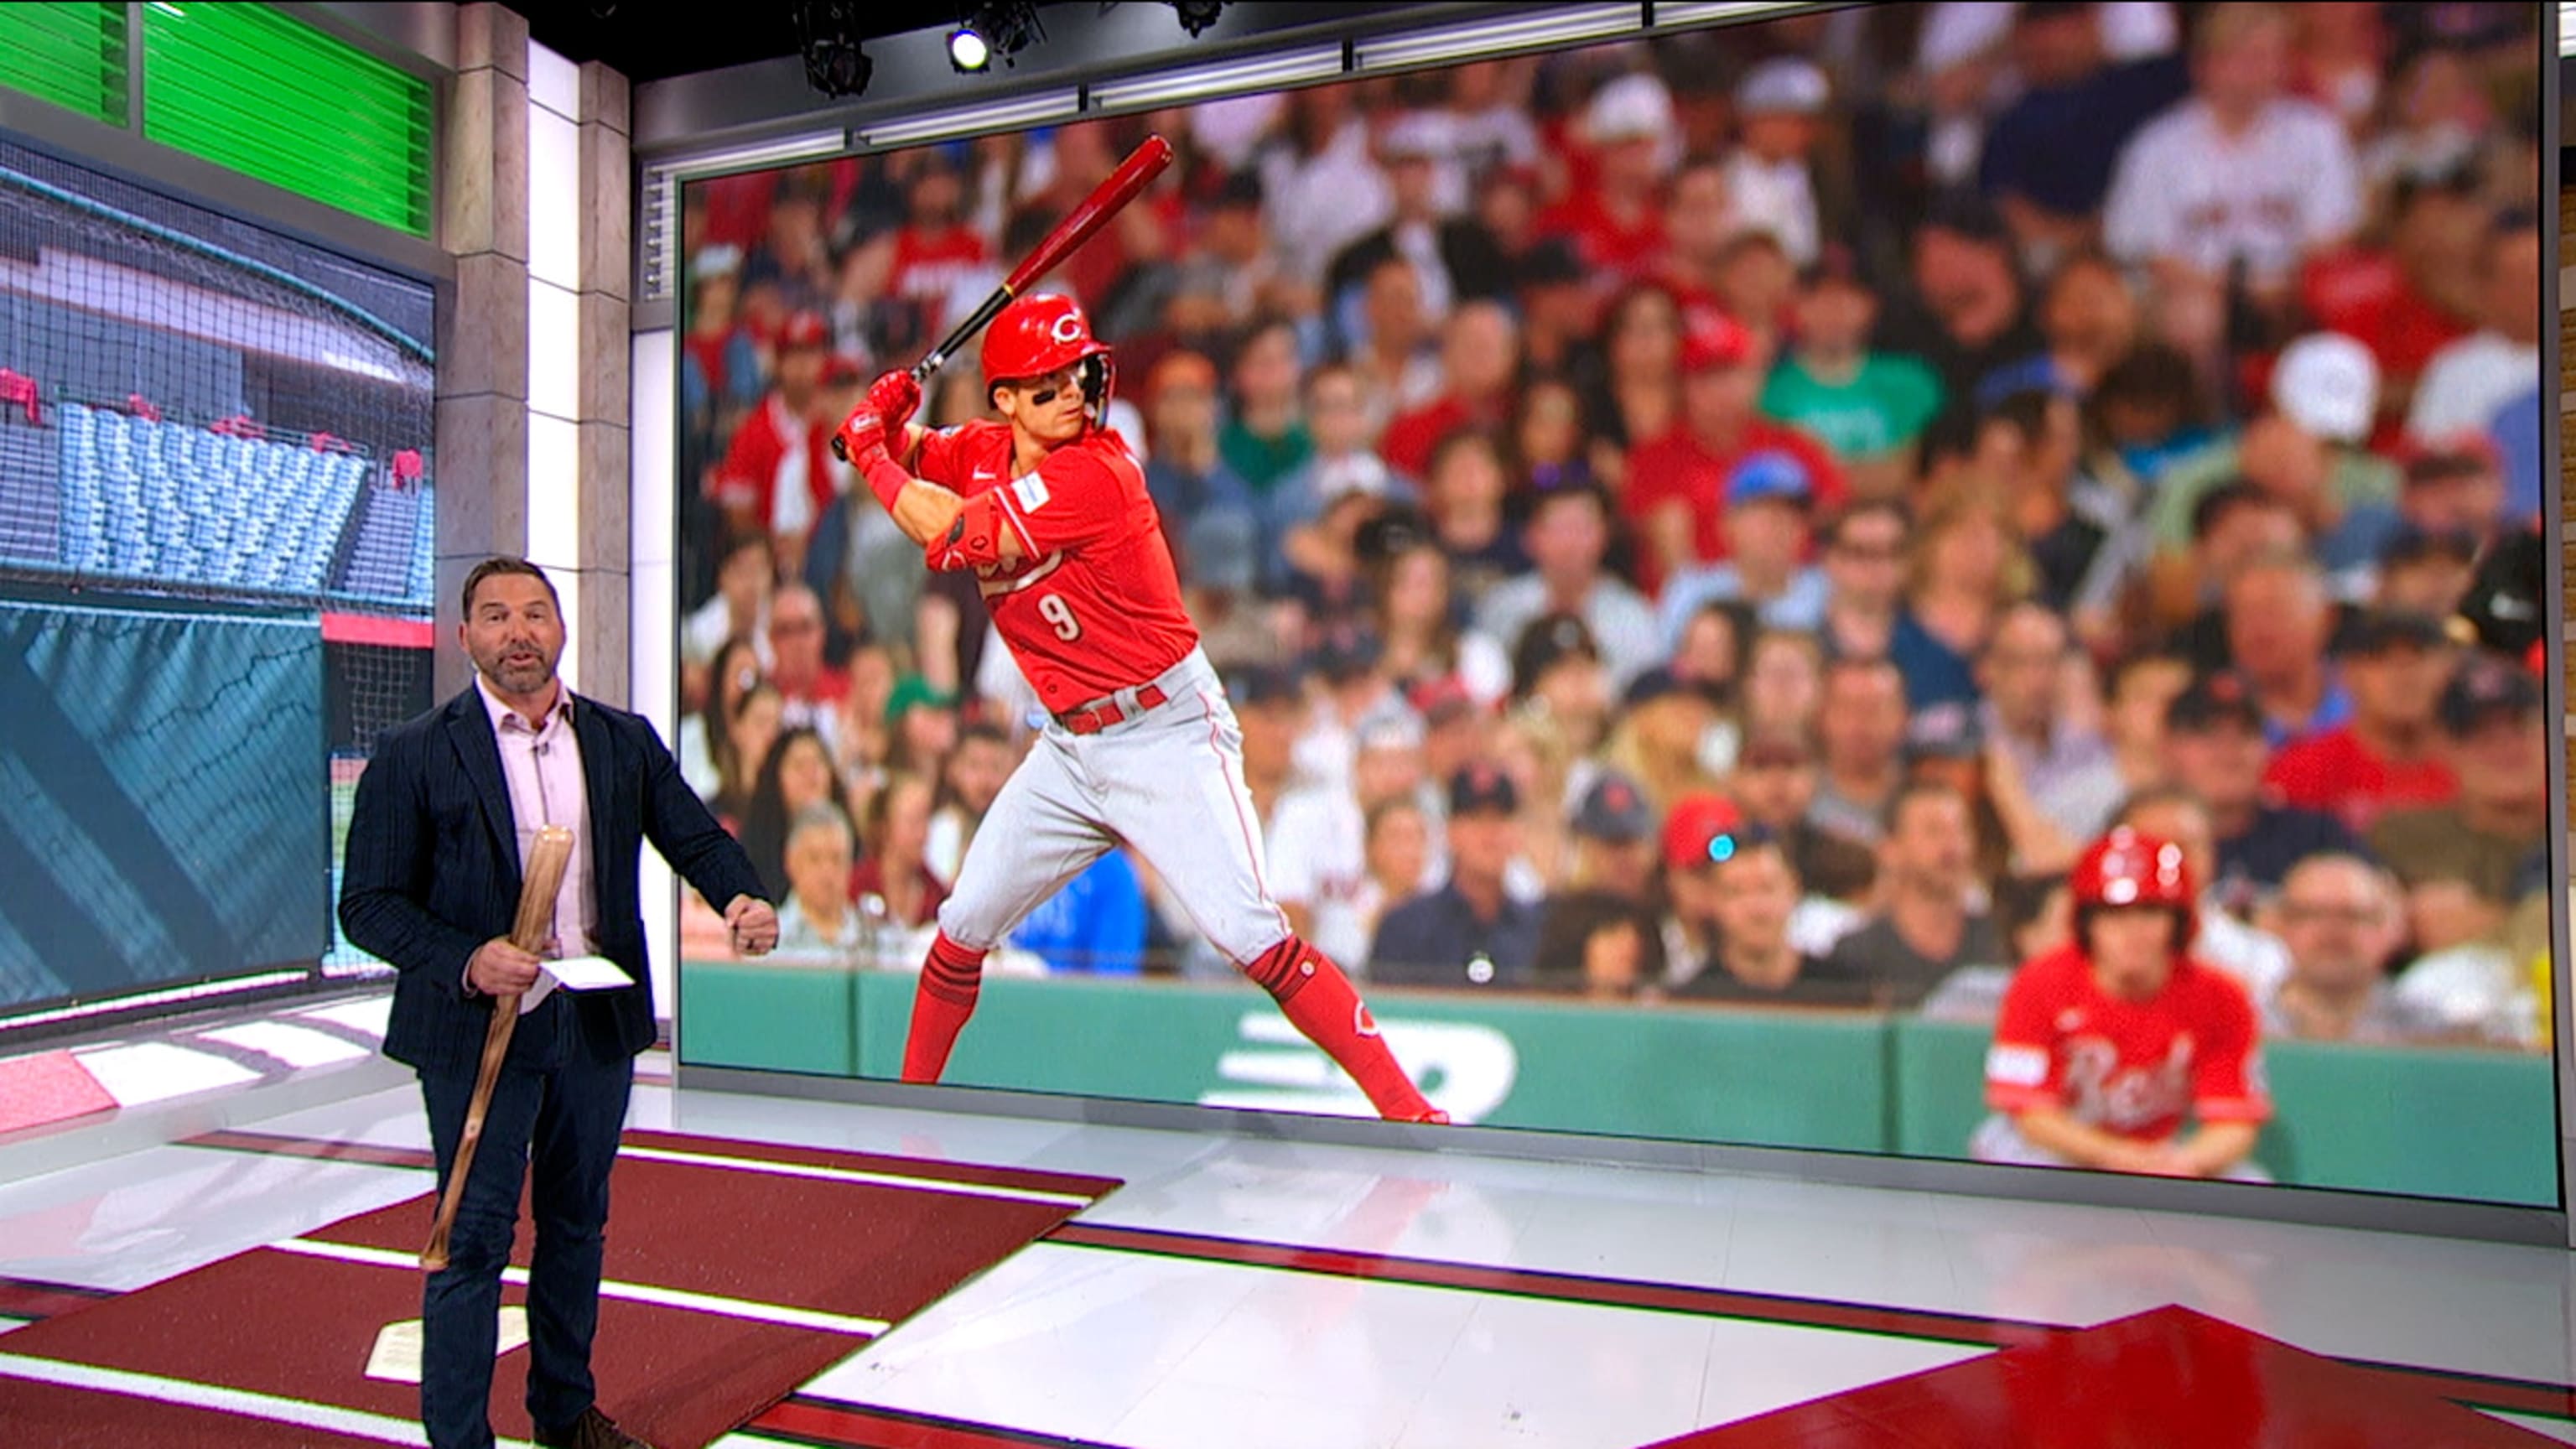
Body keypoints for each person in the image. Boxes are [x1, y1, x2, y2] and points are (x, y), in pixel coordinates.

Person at [832, 293, 1441, 1121]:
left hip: (1166, 731)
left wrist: (872, 455)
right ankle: (906, 1115)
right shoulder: (980, 450)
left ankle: (1409, 1110)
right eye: (1046, 387)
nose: (1074, 396)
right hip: (1069, 746)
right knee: (965, 920)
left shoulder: (1098, 472)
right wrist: (883, 419)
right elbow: (909, 449)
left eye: (1077, 375)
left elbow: (943, 532)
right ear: (1004, 400)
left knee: (1251, 935)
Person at [340, 557, 778, 1449]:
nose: (519, 632)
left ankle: (564, 1414)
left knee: (577, 1227)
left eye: (536, 613)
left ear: (561, 630)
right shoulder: (417, 751)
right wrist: (467, 960)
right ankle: (459, 1437)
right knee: (472, 1244)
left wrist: (741, 895)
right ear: (465, 638)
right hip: (477, 1034)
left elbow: (690, 832)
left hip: (595, 1026)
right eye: (496, 616)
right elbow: (368, 906)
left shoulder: (620, 740)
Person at [1973, 827, 2271, 1182]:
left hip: (2165, 1151)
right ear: (2087, 923)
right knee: (2003, 1150)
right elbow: (2031, 1114)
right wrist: (2114, 1156)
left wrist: (2182, 1162)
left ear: (2177, 922)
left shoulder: (2220, 996)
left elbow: (2235, 1122)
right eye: (2114, 914)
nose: (2132, 931)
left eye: (2149, 912)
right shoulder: (2039, 982)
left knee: (2250, 1180)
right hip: (2064, 1146)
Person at [1368, 762, 1543, 990]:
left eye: (1500, 819)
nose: (1490, 834)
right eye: (1476, 819)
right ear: (1451, 832)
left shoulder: (1539, 928)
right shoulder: (1406, 926)